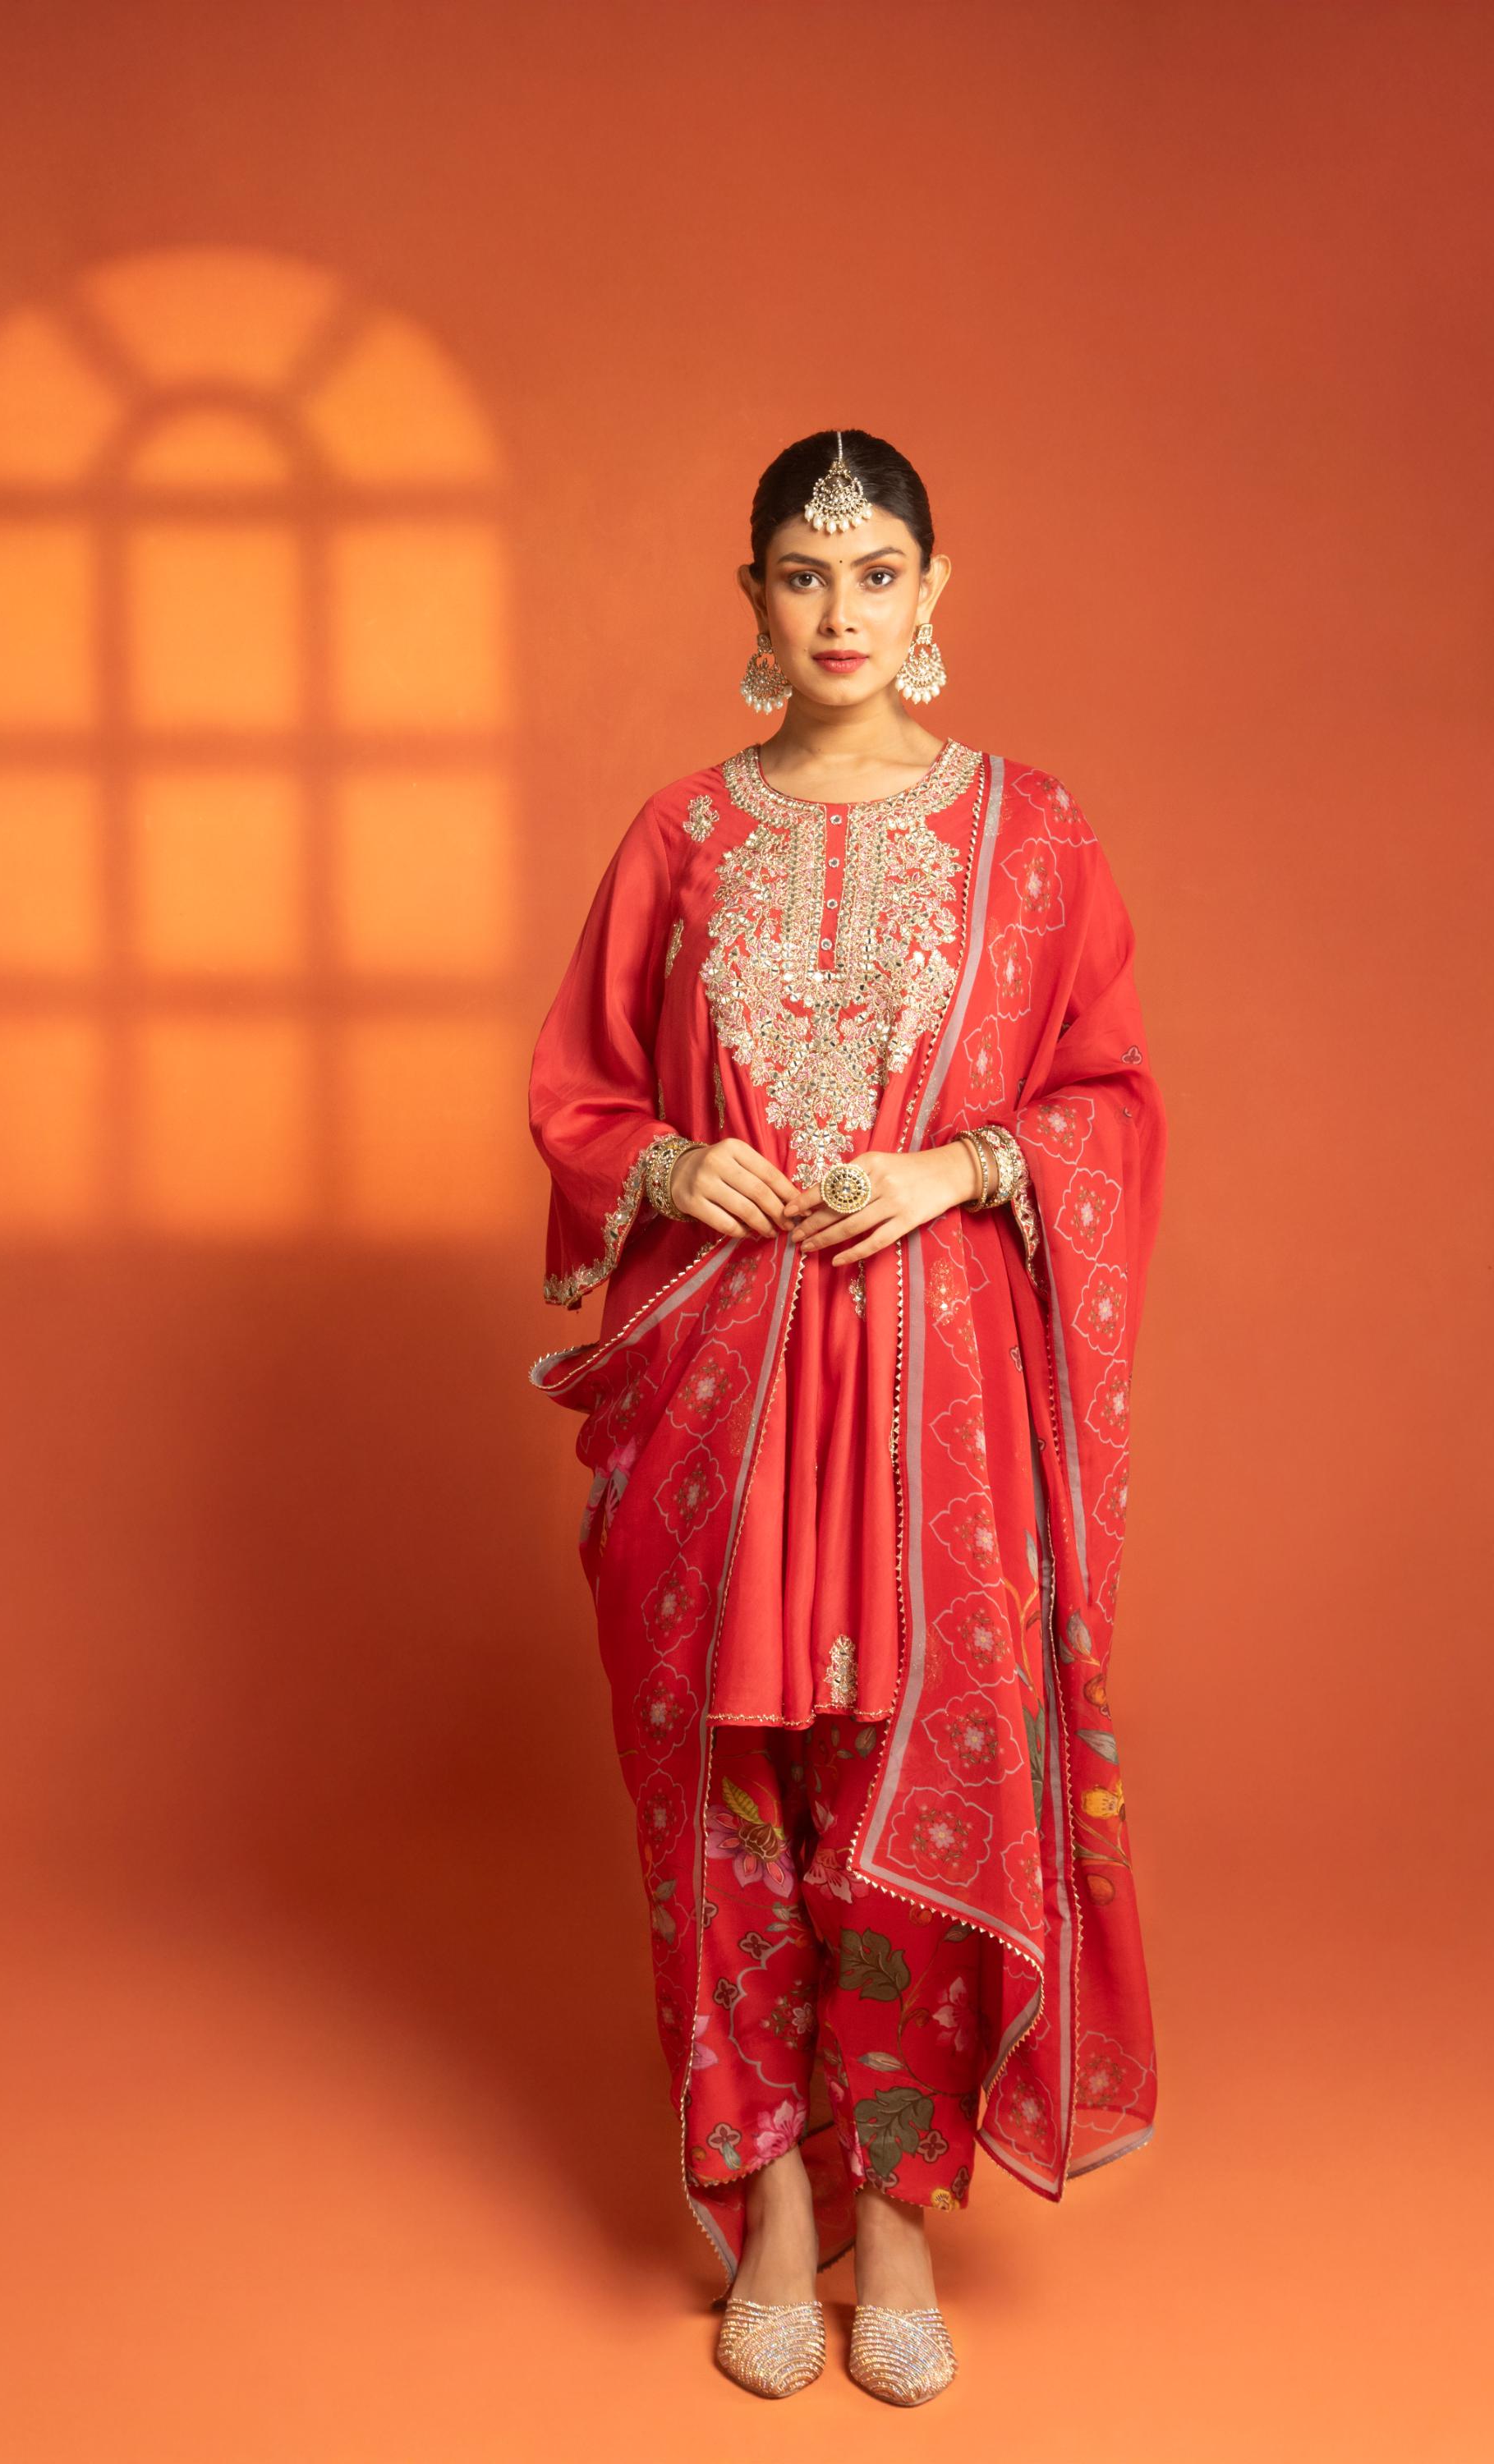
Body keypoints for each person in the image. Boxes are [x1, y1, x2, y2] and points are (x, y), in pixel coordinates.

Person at [526, 429, 1166, 2406]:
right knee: (728, 1789)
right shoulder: (681, 838)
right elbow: (579, 1090)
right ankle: (764, 2212)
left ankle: (889, 2208)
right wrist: (665, 1170)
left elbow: (1110, 1103)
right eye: (801, 579)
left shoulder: (1034, 836)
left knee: (919, 1773)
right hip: (724, 1384)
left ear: (932, 593)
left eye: (874, 572)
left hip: (937, 1394)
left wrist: (962, 1172)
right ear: (750, 606)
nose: (839, 612)